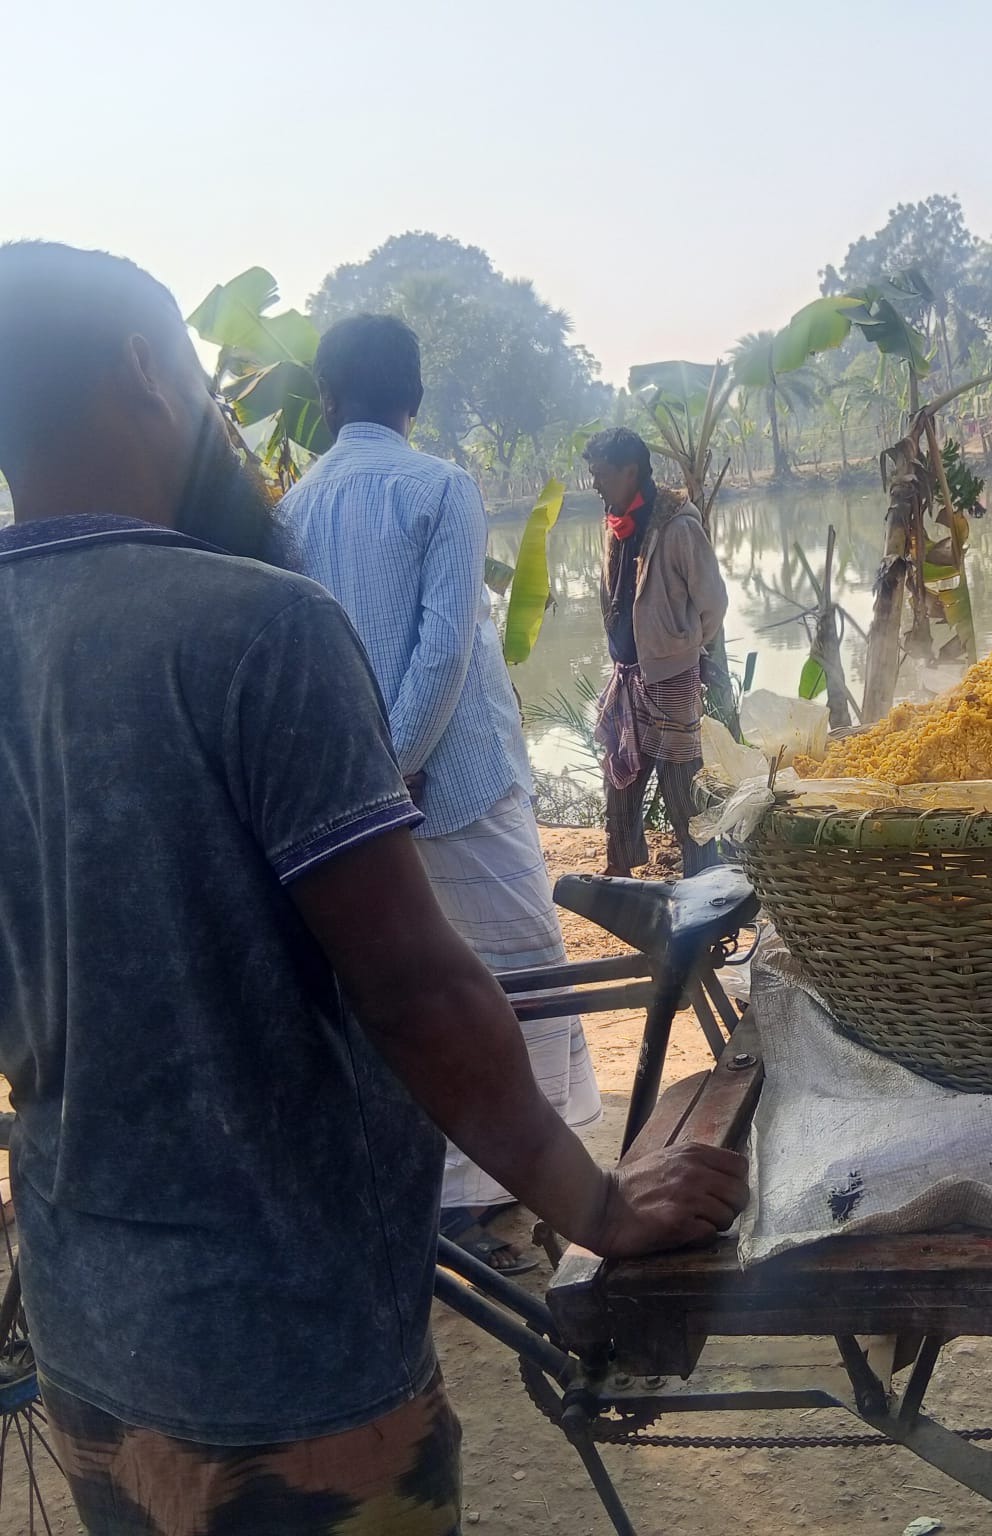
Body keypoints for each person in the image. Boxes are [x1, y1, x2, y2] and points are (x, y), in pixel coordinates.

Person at [0, 242, 748, 1536]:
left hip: (90, 1348)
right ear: (142, 368)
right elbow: (415, 990)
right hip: (296, 1369)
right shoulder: (251, 626)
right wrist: (599, 1204)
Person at [283, 314, 598, 1274]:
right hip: (447, 779)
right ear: (413, 398)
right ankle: (492, 1185)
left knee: (399, 983)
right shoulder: (441, 487)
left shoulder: (289, 507)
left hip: (348, 793)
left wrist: (363, 771)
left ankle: (437, 1189)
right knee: (519, 971)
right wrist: (404, 757)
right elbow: (446, 648)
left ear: (327, 399)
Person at [585, 427, 728, 878]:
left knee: (680, 782)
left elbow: (714, 604)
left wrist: (680, 645)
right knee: (620, 775)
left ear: (631, 472)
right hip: (627, 676)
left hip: (670, 678)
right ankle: (620, 869)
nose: (595, 485)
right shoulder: (617, 524)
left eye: (601, 475)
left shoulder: (679, 526)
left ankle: (702, 876)